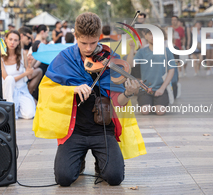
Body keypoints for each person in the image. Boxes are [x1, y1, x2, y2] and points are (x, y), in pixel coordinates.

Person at [33, 12, 146, 186]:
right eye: (83, 43)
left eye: (93, 43)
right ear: (75, 36)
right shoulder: (65, 59)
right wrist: (72, 90)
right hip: (74, 131)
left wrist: (129, 93)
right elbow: (46, 91)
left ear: (99, 37)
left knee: (115, 178)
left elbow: (117, 102)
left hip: (103, 130)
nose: (88, 48)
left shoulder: (110, 60)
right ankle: (78, 161)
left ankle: (101, 164)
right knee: (64, 179)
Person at [127, 25, 175, 115]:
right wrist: (132, 49)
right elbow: (130, 65)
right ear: (145, 36)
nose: (153, 36)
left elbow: (171, 70)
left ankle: (157, 102)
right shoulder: (142, 52)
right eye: (150, 34)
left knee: (160, 112)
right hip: (145, 89)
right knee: (145, 111)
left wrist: (162, 88)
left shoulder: (166, 51)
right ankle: (149, 102)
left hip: (161, 88)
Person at [0, 30, 36, 119]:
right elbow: (6, 78)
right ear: (6, 40)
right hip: (9, 91)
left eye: (15, 40)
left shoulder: (23, 53)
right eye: (10, 39)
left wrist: (30, 64)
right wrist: (25, 73)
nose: (12, 42)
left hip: (22, 90)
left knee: (29, 115)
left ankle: (17, 108)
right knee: (10, 79)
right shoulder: (0, 57)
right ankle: (10, 108)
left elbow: (29, 76)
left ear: (19, 42)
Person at [18, 26, 43, 95]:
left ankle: (28, 94)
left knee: (38, 71)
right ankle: (28, 94)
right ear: (22, 36)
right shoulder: (19, 50)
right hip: (18, 77)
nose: (30, 41)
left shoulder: (22, 50)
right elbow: (27, 70)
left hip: (20, 76)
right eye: (28, 38)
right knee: (39, 71)